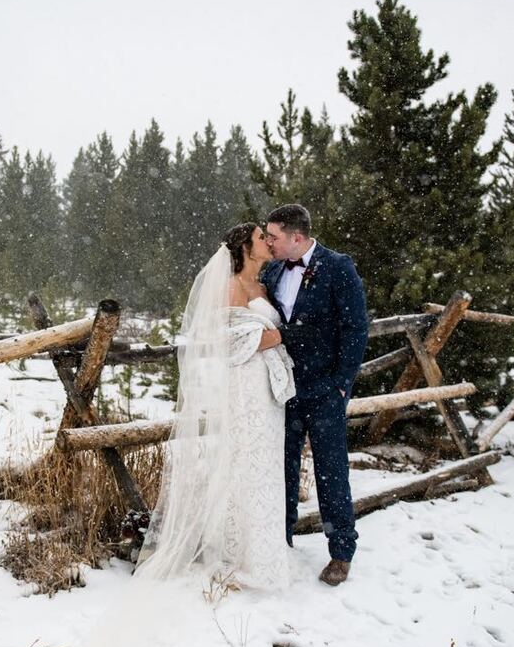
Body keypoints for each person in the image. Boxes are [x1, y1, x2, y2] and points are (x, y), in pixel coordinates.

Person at [134, 222, 295, 590]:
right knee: (245, 460)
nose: (267, 242)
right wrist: (281, 336)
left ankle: (265, 550)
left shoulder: (264, 286)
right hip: (245, 384)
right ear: (245, 248)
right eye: (260, 238)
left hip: (268, 386)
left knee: (267, 464)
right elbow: (227, 340)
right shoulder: (230, 286)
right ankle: (240, 553)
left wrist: (275, 338)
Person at [261, 204, 368, 586]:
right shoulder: (273, 270)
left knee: (331, 470)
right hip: (284, 389)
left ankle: (341, 551)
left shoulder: (338, 267)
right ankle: (282, 540)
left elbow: (356, 327)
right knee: (283, 467)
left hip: (325, 389)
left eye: (273, 236)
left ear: (297, 237)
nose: (268, 242)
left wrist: (342, 384)